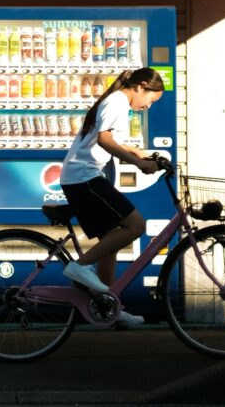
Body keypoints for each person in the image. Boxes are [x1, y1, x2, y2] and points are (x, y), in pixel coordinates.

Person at [59, 67, 165, 326]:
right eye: (151, 100)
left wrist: (140, 153)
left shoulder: (116, 101)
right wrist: (138, 164)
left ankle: (109, 306)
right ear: (141, 86)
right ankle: (80, 266)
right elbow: (105, 140)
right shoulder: (118, 101)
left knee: (112, 238)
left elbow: (107, 139)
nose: (148, 106)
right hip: (85, 178)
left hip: (80, 177)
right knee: (135, 225)